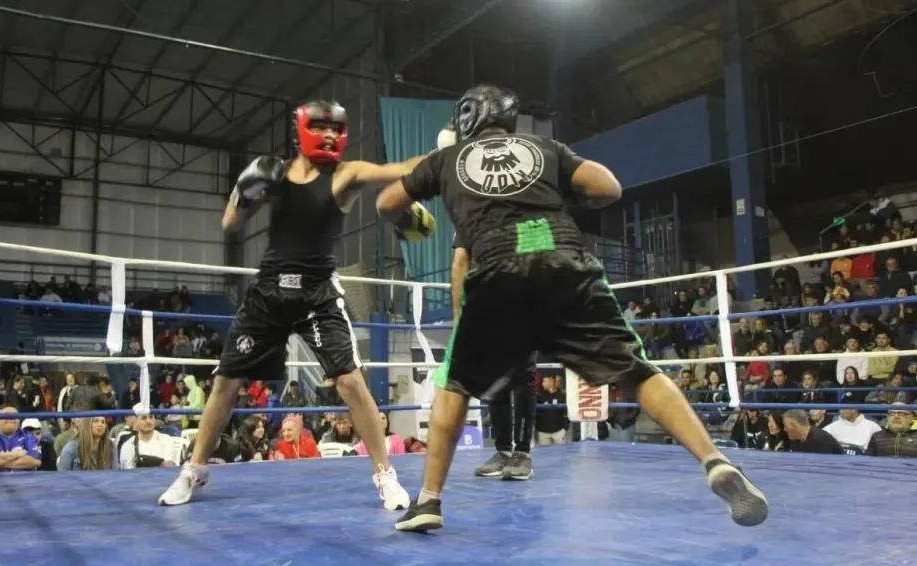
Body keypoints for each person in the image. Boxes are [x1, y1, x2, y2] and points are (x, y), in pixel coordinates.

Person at [376, 84, 768, 532]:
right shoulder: (544, 147)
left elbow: (387, 203)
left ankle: (428, 502)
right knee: (635, 372)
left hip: (497, 268)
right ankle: (714, 461)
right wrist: (562, 195)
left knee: (455, 384)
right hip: (563, 256)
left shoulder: (446, 161)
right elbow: (609, 187)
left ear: (467, 120)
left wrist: (413, 222)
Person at [159, 100, 436, 510]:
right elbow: (230, 224)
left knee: (350, 382)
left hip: (317, 294)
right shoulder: (274, 173)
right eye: (320, 127)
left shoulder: (347, 174)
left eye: (335, 129)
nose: (329, 135)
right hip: (268, 292)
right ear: (301, 130)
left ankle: (385, 474)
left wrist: (448, 153)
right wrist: (248, 186)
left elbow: (404, 168)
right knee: (226, 382)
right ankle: (195, 468)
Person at [451, 231, 537, 480]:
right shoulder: (469, 213)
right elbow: (460, 260)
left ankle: (522, 453)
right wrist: (459, 316)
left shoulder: (524, 203)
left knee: (523, 376)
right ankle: (503, 451)